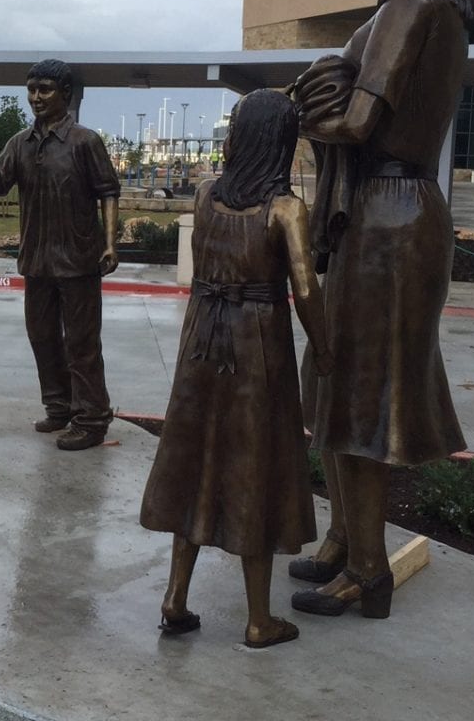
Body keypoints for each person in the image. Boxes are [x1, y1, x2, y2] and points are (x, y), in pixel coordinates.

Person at [287, 0, 470, 620]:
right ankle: (342, 540)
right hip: (386, 212)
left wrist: (291, 117)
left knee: (358, 389)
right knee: (335, 377)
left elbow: (358, 125)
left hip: (389, 214)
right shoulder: (419, 12)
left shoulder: (411, 7)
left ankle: (368, 569)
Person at [138, 90, 330, 648]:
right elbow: (306, 288)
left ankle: (176, 596)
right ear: (282, 142)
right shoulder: (285, 209)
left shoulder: (204, 197)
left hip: (202, 336)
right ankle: (257, 619)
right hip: (256, 341)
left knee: (193, 457)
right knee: (257, 464)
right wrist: (325, 349)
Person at [0, 59, 120, 450]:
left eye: (45, 90)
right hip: (38, 259)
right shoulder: (20, 143)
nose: (36, 98)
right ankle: (58, 406)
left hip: (78, 259)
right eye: (32, 89)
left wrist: (110, 243)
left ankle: (92, 417)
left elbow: (108, 191)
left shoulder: (84, 141)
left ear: (65, 94)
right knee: (42, 336)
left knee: (81, 342)